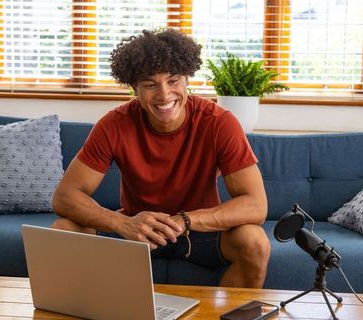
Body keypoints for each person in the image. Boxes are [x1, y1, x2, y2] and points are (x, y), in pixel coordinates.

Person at [51, 28, 270, 288]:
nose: (165, 95)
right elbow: (64, 197)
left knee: (254, 241)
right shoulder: (113, 124)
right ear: (135, 89)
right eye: (150, 84)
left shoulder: (219, 123)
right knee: (63, 231)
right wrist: (123, 223)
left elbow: (256, 206)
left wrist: (185, 220)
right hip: (136, 232)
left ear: (187, 79)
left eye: (173, 81)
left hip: (199, 233)